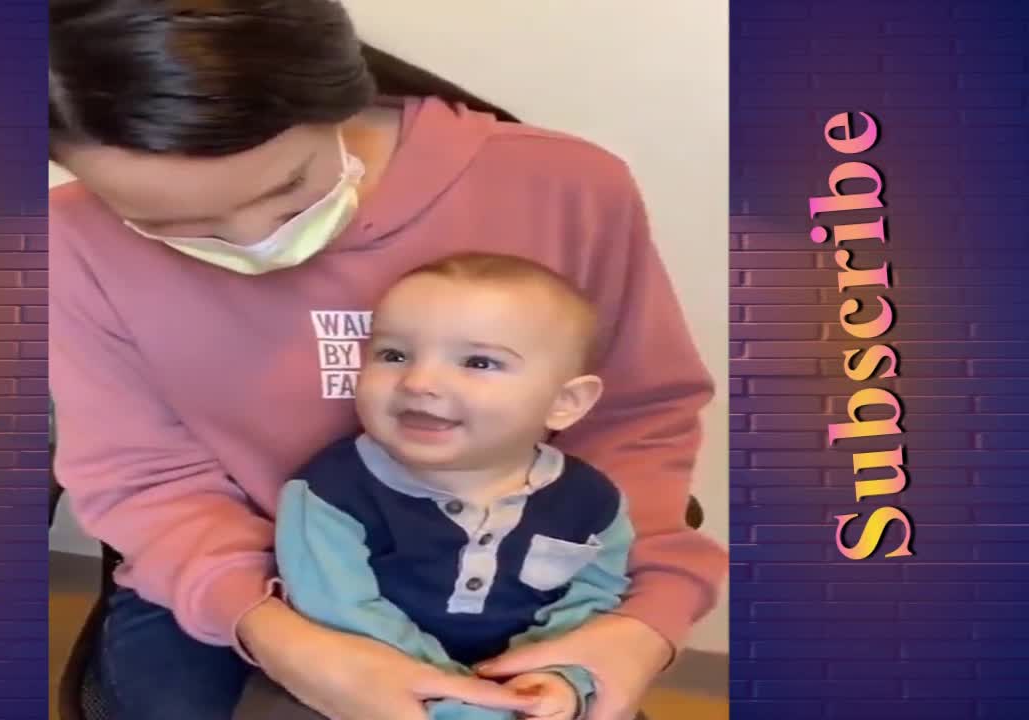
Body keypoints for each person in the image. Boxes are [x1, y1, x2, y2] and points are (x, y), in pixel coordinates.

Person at [48, 1, 728, 719]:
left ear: (336, 94)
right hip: (234, 564)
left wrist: (642, 623)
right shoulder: (73, 246)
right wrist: (281, 635)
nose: (253, 246)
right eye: (171, 226)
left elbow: (635, 423)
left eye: (285, 191)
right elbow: (144, 479)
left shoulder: (566, 187)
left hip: (508, 550)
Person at [266, 253, 635, 720]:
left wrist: (562, 679)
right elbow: (343, 615)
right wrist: (461, 702)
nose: (419, 381)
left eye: (479, 362)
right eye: (393, 355)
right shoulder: (330, 492)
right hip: (358, 690)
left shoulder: (593, 502)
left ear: (565, 402)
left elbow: (594, 600)